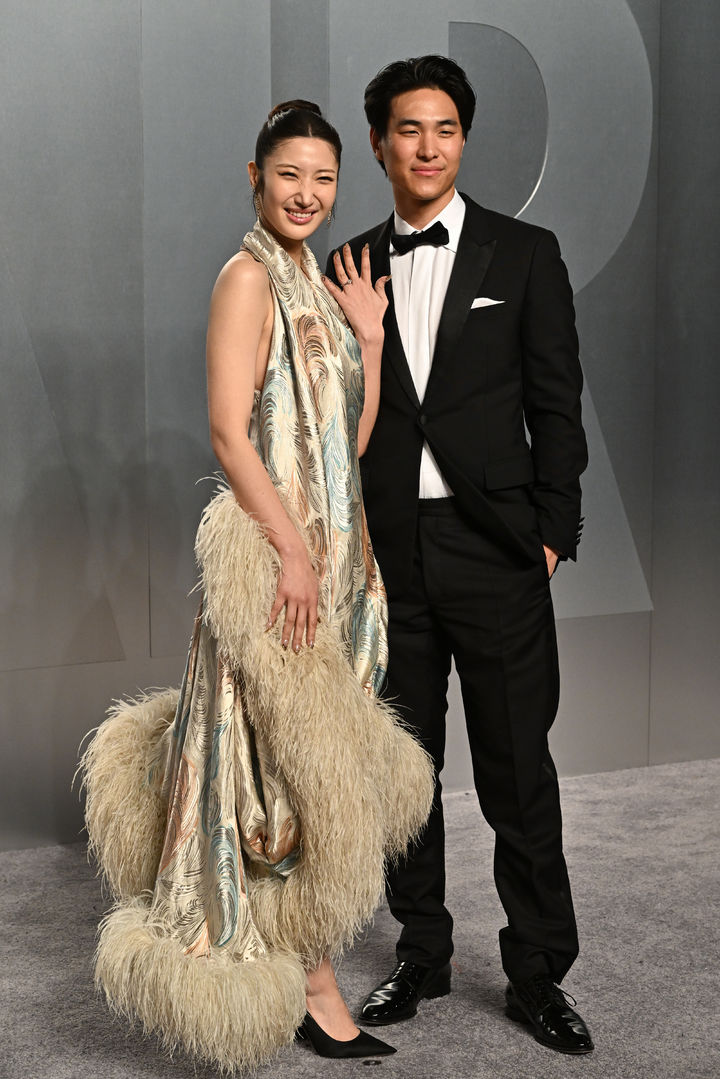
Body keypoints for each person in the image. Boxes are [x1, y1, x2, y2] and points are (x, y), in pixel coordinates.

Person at [79, 100, 433, 1071]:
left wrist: (367, 343)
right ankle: (312, 986)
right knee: (275, 768)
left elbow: (345, 446)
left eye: (323, 178)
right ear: (255, 177)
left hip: (339, 564)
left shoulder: (314, 282)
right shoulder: (246, 279)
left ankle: (304, 966)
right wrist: (291, 554)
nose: (307, 194)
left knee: (314, 765)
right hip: (280, 573)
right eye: (289, 176)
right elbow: (230, 434)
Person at [326, 56, 594, 1054]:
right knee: (405, 772)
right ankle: (422, 951)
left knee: (519, 769)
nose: (428, 145)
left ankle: (538, 970)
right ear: (379, 144)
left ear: (463, 139)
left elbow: (557, 405)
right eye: (409, 128)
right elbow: (331, 421)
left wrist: (553, 534)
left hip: (499, 553)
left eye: (444, 128)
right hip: (390, 559)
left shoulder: (525, 254)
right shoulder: (346, 264)